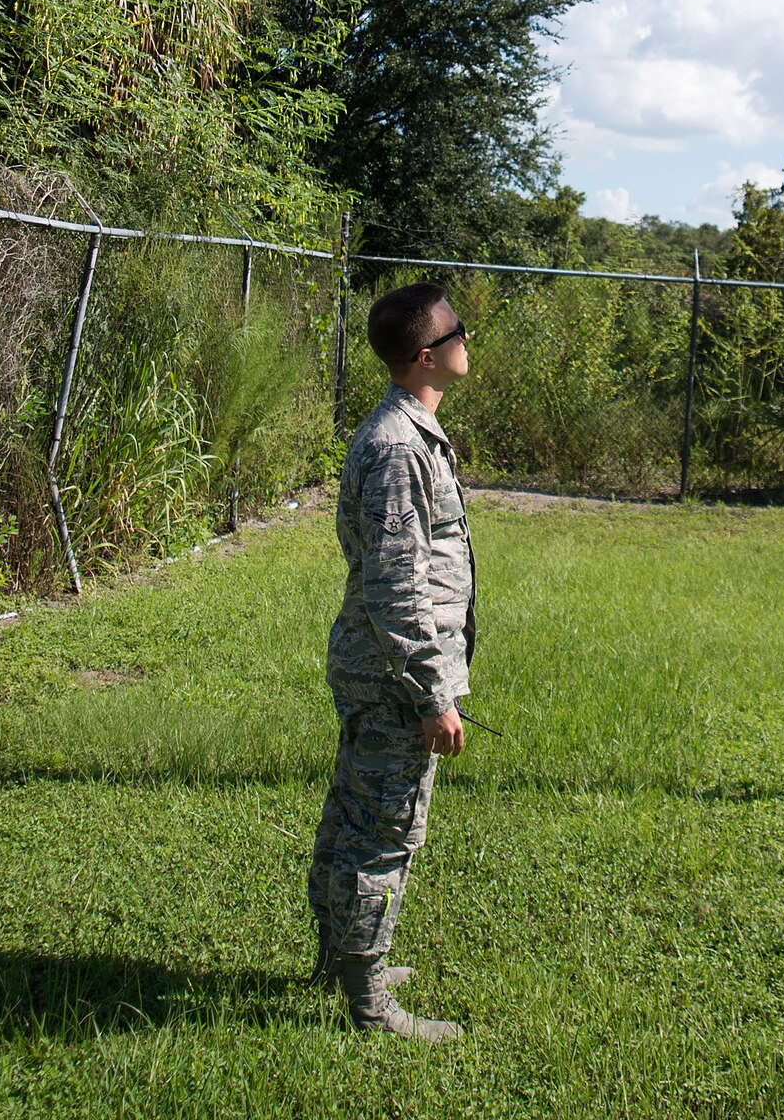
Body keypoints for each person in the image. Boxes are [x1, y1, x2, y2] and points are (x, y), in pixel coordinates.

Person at [307, 281, 477, 1043]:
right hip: (393, 676)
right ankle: (369, 1003)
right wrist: (433, 693)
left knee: (351, 816)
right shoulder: (400, 447)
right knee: (383, 831)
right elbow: (398, 586)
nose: (467, 341)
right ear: (426, 356)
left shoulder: (405, 431)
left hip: (376, 666)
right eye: (457, 331)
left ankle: (339, 959)